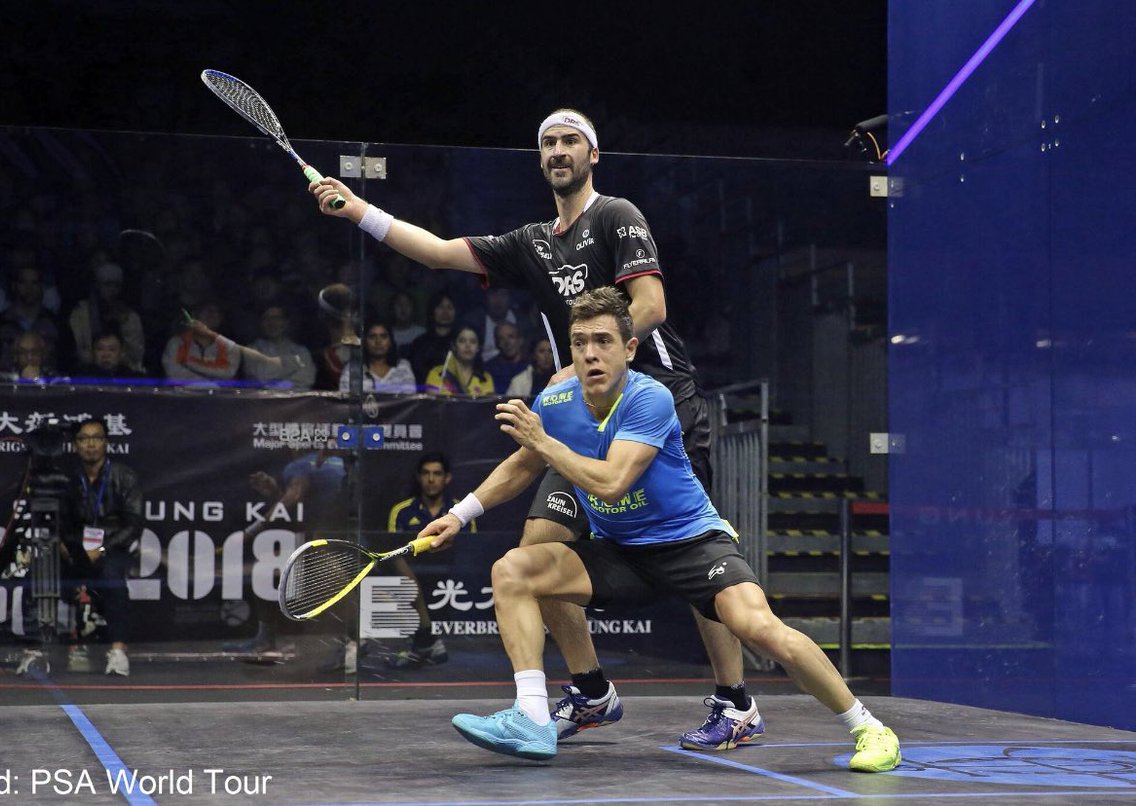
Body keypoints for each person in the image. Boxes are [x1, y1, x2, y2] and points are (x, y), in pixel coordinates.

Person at [310, 108, 757, 749]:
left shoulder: (617, 215)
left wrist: (580, 365)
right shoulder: (532, 243)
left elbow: (651, 305)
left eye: (571, 141)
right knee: (534, 549)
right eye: (548, 143)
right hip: (581, 414)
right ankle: (591, 691)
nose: (558, 150)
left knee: (696, 556)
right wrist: (358, 210)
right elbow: (437, 252)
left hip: (659, 402)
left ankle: (735, 702)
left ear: (592, 155)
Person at [418, 289, 900, 770]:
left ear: (629, 349)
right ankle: (531, 716)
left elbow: (611, 483)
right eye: (580, 342)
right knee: (513, 570)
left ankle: (869, 728)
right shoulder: (557, 402)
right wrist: (459, 514)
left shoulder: (650, 398)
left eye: (603, 341)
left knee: (759, 628)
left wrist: (543, 442)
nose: (590, 353)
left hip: (691, 545)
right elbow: (524, 464)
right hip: (620, 552)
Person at [225, 448, 351, 672]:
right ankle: (266, 640)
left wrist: (249, 533)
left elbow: (293, 498)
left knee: (270, 570)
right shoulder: (335, 464)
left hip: (332, 539)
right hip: (347, 534)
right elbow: (303, 502)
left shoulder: (300, 465)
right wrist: (277, 493)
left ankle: (353, 644)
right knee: (271, 570)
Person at [60, 418, 144, 676]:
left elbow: (134, 524)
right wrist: (65, 547)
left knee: (112, 577)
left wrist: (102, 549)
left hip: (111, 549)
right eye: (84, 439)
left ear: (106, 442)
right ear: (75, 445)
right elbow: (59, 522)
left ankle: (118, 652)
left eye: (96, 438)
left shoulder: (124, 476)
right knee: (42, 572)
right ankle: (37, 649)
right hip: (76, 549)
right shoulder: (67, 479)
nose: (91, 444)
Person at [383, 451, 478, 667]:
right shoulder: (401, 511)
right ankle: (427, 641)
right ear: (419, 477)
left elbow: (471, 551)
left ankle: (426, 642)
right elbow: (395, 551)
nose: (431, 479)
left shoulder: (461, 513)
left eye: (437, 473)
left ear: (447, 478)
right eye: (426, 473)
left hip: (452, 573)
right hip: (413, 571)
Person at [67, 262, 146, 374]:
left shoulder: (130, 316)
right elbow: (78, 350)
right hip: (88, 373)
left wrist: (125, 324)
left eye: (116, 286)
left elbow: (136, 354)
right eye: (107, 285)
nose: (112, 290)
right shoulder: (80, 313)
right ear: (97, 285)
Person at [161, 304, 241, 385]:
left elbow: (228, 374)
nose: (215, 315)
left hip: (219, 393)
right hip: (181, 392)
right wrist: (208, 382)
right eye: (210, 311)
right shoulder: (177, 343)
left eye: (219, 312)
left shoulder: (230, 347)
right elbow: (175, 375)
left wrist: (190, 364)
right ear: (195, 315)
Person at [243, 305, 317, 390]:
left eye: (277, 318)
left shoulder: (301, 352)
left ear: (286, 322)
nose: (272, 323)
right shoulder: (252, 350)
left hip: (294, 398)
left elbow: (305, 380)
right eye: (266, 318)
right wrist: (290, 370)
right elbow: (259, 379)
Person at [339, 320, 417, 394]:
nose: (378, 341)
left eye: (383, 336)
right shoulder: (352, 370)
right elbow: (345, 401)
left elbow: (410, 400)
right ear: (365, 342)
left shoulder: (403, 367)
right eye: (372, 337)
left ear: (390, 341)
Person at [423, 324, 495, 397]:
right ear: (454, 346)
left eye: (473, 342)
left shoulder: (485, 378)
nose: (468, 345)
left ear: (478, 348)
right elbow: (433, 402)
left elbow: (487, 403)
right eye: (462, 341)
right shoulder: (438, 374)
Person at [406, 291, 458, 383]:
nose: (445, 312)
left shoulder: (460, 342)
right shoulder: (420, 343)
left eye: (450, 307)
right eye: (440, 307)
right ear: (432, 310)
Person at [75, 331, 147, 381]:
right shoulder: (81, 379)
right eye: (100, 349)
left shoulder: (133, 379)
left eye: (112, 349)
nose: (106, 354)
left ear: (122, 353)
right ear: (92, 352)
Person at [484, 321, 528, 394]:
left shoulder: (530, 365)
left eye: (511, 337)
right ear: (496, 343)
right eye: (501, 338)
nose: (507, 342)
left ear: (520, 340)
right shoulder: (489, 368)